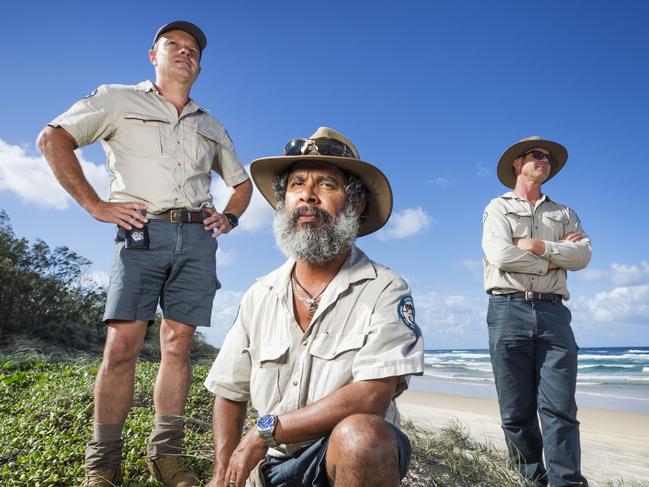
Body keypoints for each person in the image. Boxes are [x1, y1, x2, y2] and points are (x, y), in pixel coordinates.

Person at [37, 20, 253, 487]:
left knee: (177, 347)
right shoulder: (117, 99)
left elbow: (242, 183)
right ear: (152, 55)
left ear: (200, 63)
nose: (184, 52)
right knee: (121, 347)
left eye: (193, 49)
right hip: (142, 232)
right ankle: (102, 465)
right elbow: (53, 137)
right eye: (172, 45)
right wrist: (95, 204)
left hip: (197, 238)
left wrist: (229, 218)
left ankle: (165, 458)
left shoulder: (210, 124)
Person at [203, 127, 424, 486]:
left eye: (326, 184)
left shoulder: (385, 289)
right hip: (272, 468)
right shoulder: (260, 294)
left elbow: (371, 395)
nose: (307, 195)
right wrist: (222, 472)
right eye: (296, 184)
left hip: (342, 461)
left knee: (362, 437)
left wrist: (264, 432)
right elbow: (230, 391)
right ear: (283, 202)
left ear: (356, 204)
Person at [482, 136, 591, 486]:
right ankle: (530, 480)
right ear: (517, 163)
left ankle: (566, 483)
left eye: (548, 158)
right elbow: (500, 255)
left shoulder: (564, 213)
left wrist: (535, 245)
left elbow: (583, 257)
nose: (545, 160)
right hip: (506, 309)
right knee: (515, 413)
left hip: (554, 314)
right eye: (537, 155)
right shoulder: (497, 208)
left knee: (560, 410)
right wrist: (552, 261)